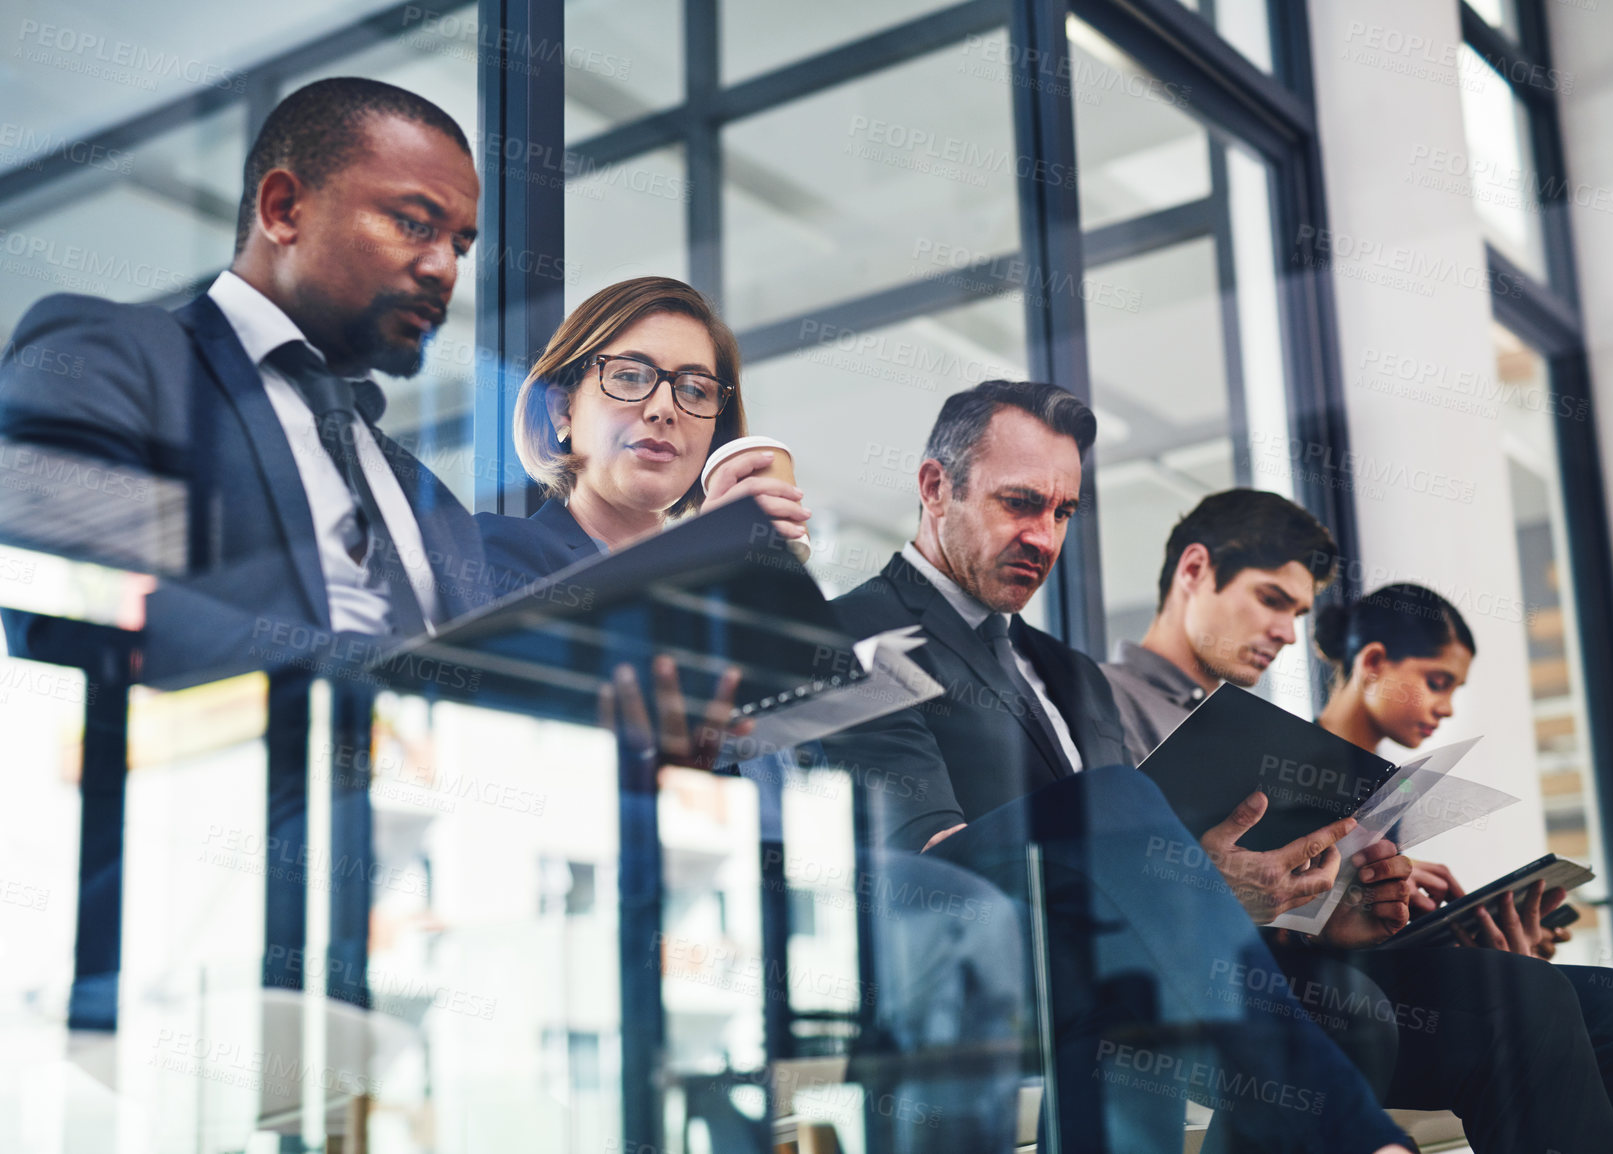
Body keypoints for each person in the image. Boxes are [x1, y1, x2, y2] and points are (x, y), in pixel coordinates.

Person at [821, 383, 1415, 1154]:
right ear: (936, 488)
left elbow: (1139, 858)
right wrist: (1171, 875)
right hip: (945, 944)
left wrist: (1255, 894)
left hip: (1098, 953)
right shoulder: (852, 635)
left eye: (1062, 513)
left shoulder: (1071, 674)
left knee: (1342, 1009)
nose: (1043, 535)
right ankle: (1359, 1142)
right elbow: (925, 857)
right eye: (1019, 503)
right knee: (1117, 812)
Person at [1100, 489, 1613, 1154]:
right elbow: (1116, 887)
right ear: (1194, 570)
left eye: (1299, 612)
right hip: (1209, 990)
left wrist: (1349, 915)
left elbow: (1291, 915)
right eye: (1272, 601)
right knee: (1525, 1000)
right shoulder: (1098, 701)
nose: (1287, 632)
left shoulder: (1255, 731)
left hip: (1307, 965)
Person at [0, 77, 495, 685]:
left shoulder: (436, 504)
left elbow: (490, 683)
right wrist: (357, 682)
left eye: (461, 247)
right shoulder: (108, 353)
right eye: (416, 224)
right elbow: (76, 604)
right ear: (283, 210)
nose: (443, 268)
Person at [1314, 582, 1613, 1154]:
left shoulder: (1389, 792)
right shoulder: (1292, 768)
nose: (1447, 707)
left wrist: (1470, 939)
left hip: (1398, 976)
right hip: (1332, 993)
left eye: (1455, 689)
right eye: (1437, 682)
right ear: (1374, 662)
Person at [474, 274, 807, 592]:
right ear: (562, 408)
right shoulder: (498, 549)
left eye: (694, 389)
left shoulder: (739, 591)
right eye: (630, 376)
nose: (663, 409)